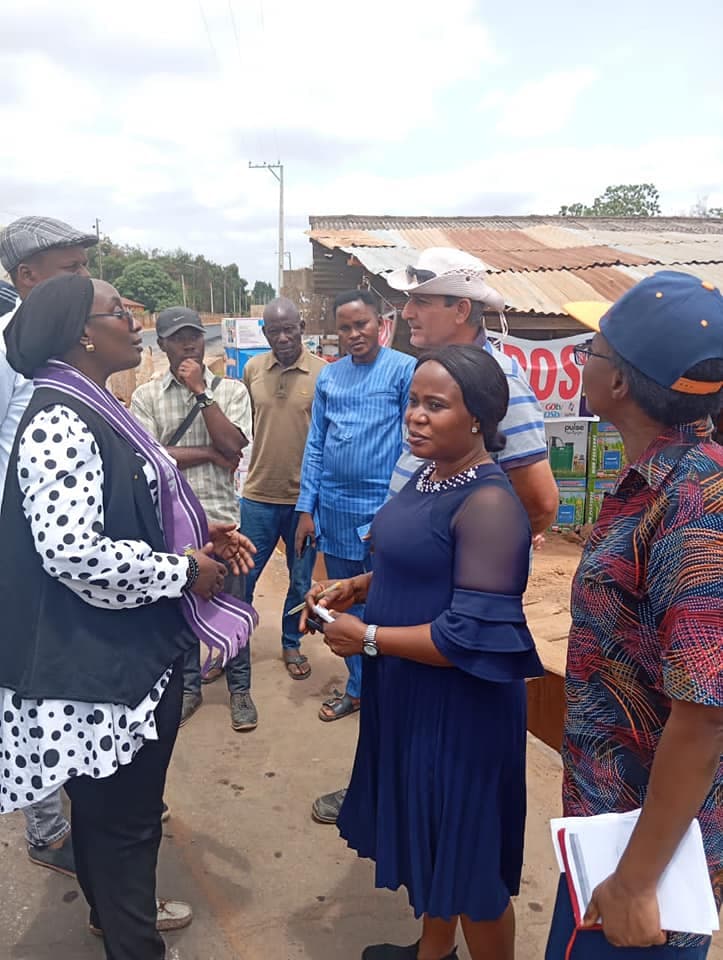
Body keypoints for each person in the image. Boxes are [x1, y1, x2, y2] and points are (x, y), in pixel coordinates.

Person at [0, 274, 256, 959]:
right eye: (119, 313)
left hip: (119, 657)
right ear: (82, 333)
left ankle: (115, 918)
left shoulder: (93, 405)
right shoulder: (61, 415)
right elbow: (74, 552)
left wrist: (194, 546)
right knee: (126, 824)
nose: (133, 323)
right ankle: (132, 941)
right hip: (100, 673)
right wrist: (184, 572)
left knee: (113, 819)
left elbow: (120, 513)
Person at [303, 345, 544, 960]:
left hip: (458, 711)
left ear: (478, 419)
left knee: (471, 867)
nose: (416, 416)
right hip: (412, 694)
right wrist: (361, 586)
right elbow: (421, 564)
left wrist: (368, 638)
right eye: (413, 401)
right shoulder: (431, 475)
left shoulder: (490, 505)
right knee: (432, 839)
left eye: (436, 405)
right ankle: (433, 953)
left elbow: (469, 634)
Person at [311, 249, 557, 824]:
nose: (408, 311)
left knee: (449, 776)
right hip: (408, 581)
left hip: (443, 605)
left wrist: (478, 558)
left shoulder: (497, 383)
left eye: (421, 300)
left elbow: (540, 501)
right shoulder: (433, 374)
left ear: (461, 308)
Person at [545, 272, 723, 959]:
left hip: (649, 861)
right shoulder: (651, 482)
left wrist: (634, 884)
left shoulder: (696, 507)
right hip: (608, 828)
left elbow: (704, 713)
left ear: (617, 382)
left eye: (591, 346)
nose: (580, 358)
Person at [0, 215, 99, 877]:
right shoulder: (8, 356)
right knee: (32, 694)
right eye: (70, 270)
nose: (83, 282)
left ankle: (89, 801)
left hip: (63, 546)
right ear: (27, 278)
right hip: (27, 557)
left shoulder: (67, 346)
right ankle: (50, 829)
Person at [131, 307, 256, 731]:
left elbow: (234, 442)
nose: (189, 345)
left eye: (195, 337)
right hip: (173, 527)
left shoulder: (232, 390)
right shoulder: (146, 396)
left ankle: (240, 690)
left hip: (224, 520)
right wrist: (206, 454)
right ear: (160, 344)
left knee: (233, 606)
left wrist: (201, 393)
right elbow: (149, 457)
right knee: (180, 608)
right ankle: (189, 689)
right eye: (177, 338)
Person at [295, 289, 415, 721]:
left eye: (361, 324)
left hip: (384, 511)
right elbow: (316, 446)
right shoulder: (329, 377)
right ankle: (360, 687)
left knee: (389, 602)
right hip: (337, 510)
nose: (353, 334)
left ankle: (392, 690)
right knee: (340, 602)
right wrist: (307, 509)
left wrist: (399, 512)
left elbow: (411, 445)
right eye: (344, 327)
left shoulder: (405, 371)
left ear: (380, 322)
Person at [240, 298, 326, 680]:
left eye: (290, 328)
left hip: (303, 501)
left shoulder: (324, 374)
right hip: (258, 495)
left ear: (302, 326)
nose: (284, 336)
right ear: (265, 333)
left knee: (301, 578)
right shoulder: (253, 369)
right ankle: (233, 645)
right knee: (242, 577)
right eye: (274, 330)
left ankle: (291, 642)